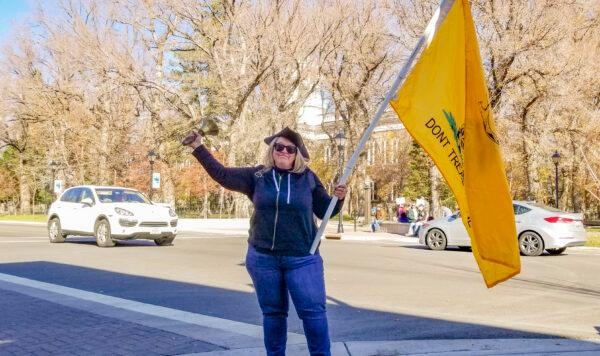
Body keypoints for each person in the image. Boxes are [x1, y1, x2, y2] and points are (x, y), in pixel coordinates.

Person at [183, 127, 347, 356]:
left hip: (302, 258)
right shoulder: (257, 176)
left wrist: (338, 200)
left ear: (297, 153)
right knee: (273, 314)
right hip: (263, 259)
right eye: (278, 147)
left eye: (290, 149)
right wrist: (198, 147)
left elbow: (324, 210)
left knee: (313, 314)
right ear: (271, 150)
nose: (284, 151)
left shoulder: (308, 178)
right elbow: (222, 174)